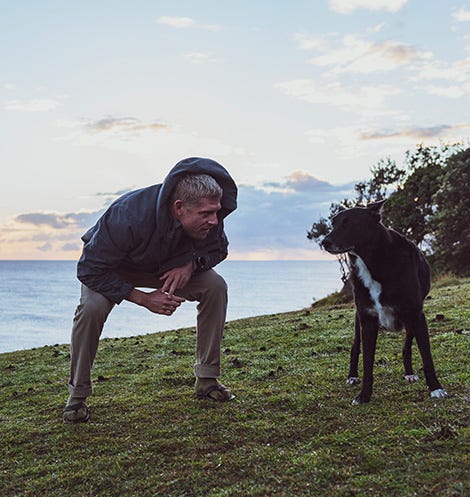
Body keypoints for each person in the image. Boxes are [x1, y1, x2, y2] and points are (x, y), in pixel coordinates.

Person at [63, 157, 238, 423]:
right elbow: (89, 270)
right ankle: (77, 396)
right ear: (179, 208)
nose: (214, 220)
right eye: (206, 214)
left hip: (166, 268)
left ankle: (207, 380)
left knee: (215, 285)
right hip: (113, 268)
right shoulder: (127, 215)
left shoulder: (212, 216)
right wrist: (143, 298)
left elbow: (218, 249)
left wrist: (191, 265)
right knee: (92, 307)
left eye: (216, 212)